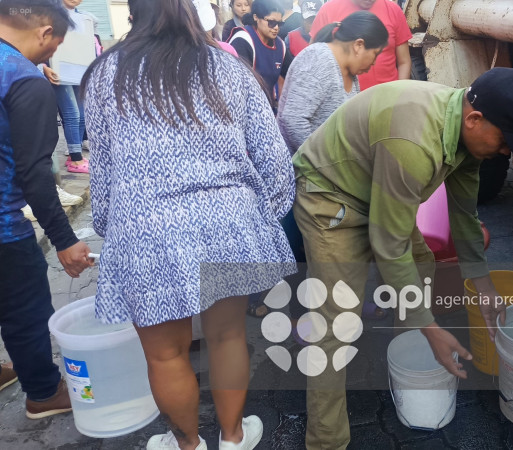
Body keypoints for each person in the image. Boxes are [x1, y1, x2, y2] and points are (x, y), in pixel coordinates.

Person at [82, 0, 296, 449]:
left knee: (165, 354)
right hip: (227, 219)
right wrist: (263, 217)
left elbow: (102, 175)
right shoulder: (228, 65)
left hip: (146, 228)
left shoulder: (105, 74)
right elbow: (275, 159)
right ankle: (234, 438)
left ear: (132, 13)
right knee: (228, 336)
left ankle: (188, 445)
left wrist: (114, 228)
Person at [293, 67, 513, 449]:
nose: (507, 152)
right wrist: (431, 327)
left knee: (421, 263)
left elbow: (463, 215)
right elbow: (387, 243)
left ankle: (407, 362)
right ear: (475, 119)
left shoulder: (464, 129)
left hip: (379, 190)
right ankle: (326, 441)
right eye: (505, 141)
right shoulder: (413, 140)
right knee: (337, 322)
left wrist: (485, 285)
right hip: (332, 198)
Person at [0, 0, 93, 420]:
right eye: (55, 44)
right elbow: (36, 172)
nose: (51, 55)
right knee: (25, 310)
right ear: (43, 32)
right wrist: (65, 240)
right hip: (3, 230)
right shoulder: (23, 79)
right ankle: (42, 392)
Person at [277, 10, 386, 153]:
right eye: (375, 54)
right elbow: (293, 120)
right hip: (303, 169)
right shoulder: (319, 59)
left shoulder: (351, 72)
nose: (373, 63)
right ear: (359, 45)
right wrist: (324, 162)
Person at [310, 0, 411, 90]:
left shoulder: (393, 10)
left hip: (386, 99)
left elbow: (404, 62)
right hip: (343, 101)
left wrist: (399, 94)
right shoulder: (328, 10)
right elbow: (313, 59)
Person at [41, 0, 93, 174]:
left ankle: (75, 153)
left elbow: (85, 46)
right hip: (58, 71)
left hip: (79, 72)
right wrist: (43, 66)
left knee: (81, 115)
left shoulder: (84, 19)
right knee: (72, 114)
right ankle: (75, 160)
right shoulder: (49, 14)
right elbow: (41, 42)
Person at [229, 0, 286, 105]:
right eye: (271, 22)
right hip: (243, 104)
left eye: (279, 23)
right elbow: (237, 85)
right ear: (256, 17)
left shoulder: (281, 45)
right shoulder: (242, 40)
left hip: (267, 105)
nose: (276, 28)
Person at [279, 0, 320, 74]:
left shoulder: (327, 37)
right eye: (309, 20)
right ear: (302, 20)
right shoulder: (291, 38)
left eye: (315, 20)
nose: (313, 24)